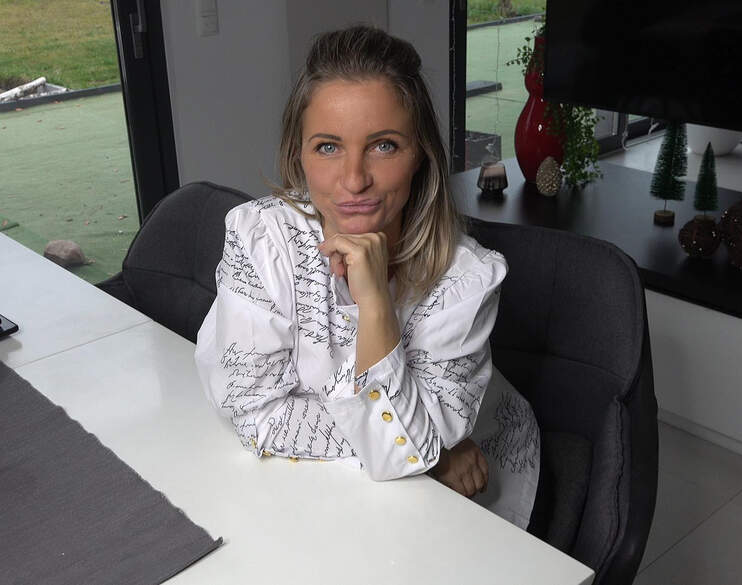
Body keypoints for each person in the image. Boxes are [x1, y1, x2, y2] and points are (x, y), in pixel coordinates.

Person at [195, 25, 540, 529]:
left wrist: (375, 303)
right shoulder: (261, 238)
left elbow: (399, 455)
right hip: (358, 485)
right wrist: (431, 451)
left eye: (383, 146)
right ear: (298, 153)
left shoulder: (468, 278)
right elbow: (251, 412)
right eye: (328, 147)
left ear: (420, 153)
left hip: (467, 490)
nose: (354, 180)